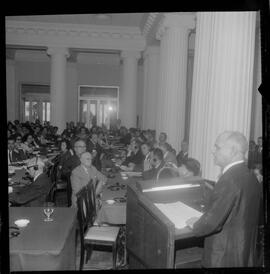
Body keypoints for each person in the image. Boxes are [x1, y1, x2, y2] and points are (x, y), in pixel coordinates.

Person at [186, 131, 261, 267]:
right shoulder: (251, 177)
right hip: (243, 254)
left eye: (217, 147)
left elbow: (212, 222)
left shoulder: (229, 179)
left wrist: (195, 224)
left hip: (223, 258)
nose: (213, 151)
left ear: (232, 151)